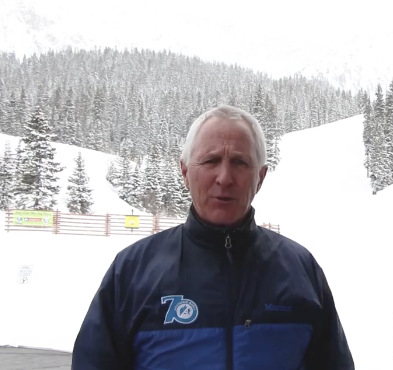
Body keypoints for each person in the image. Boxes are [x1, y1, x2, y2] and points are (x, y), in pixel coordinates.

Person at [71, 105, 354, 369]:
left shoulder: (301, 270)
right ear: (184, 171)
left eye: (240, 163)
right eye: (211, 160)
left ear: (261, 177)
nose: (224, 177)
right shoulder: (132, 271)